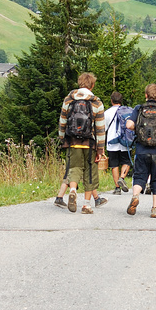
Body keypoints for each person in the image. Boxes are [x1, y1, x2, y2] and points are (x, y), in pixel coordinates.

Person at [58, 72, 107, 214]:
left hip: (73, 141)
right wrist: (100, 150)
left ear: (79, 83)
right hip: (90, 143)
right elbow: (100, 128)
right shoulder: (96, 102)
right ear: (92, 85)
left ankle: (72, 190)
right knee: (90, 172)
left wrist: (63, 139)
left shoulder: (69, 100)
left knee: (74, 168)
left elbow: (62, 122)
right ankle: (86, 205)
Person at [125, 83, 156, 218]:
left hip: (141, 149)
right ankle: (155, 209)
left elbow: (129, 124)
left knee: (140, 176)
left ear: (146, 95)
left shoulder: (139, 109)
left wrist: (137, 128)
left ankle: (135, 196)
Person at [104, 91, 132, 195]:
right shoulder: (128, 111)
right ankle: (122, 178)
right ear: (121, 100)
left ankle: (117, 188)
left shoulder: (107, 113)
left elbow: (103, 128)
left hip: (112, 142)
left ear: (111, 101)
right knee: (126, 162)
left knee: (114, 164)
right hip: (125, 141)